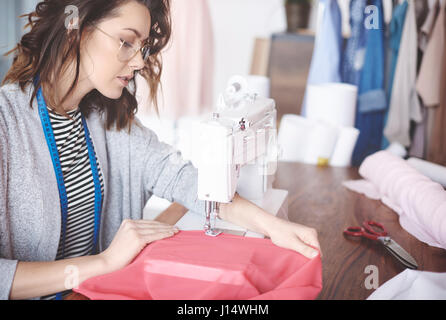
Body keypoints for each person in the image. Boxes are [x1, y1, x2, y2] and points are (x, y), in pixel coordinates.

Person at [0, 0, 321, 300]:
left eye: (142, 47)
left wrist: (275, 227)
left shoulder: (109, 123)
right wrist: (104, 262)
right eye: (126, 41)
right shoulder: (5, 123)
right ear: (77, 29)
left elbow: (188, 181)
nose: (139, 61)